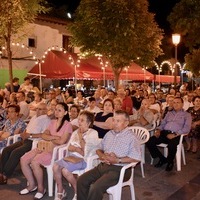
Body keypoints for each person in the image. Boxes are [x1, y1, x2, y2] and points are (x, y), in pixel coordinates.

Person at [77, 110, 141, 200]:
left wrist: (117, 160)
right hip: (103, 165)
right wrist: (102, 155)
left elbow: (136, 158)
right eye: (114, 120)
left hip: (120, 169)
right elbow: (98, 148)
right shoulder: (109, 134)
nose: (114, 123)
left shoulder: (132, 137)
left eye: (118, 121)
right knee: (81, 180)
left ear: (126, 123)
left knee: (96, 187)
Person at [19, 103, 72, 199]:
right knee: (23, 159)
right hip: (45, 147)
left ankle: (41, 189)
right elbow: (43, 135)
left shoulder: (67, 125)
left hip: (57, 151)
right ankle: (32, 185)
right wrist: (53, 137)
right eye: (55, 109)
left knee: (35, 161)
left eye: (59, 110)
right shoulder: (52, 122)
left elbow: (62, 141)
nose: (56, 112)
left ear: (65, 112)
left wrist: (50, 138)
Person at [53, 111, 100, 200]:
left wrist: (80, 136)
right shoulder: (75, 132)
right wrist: (76, 149)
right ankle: (60, 190)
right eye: (79, 120)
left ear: (89, 123)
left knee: (65, 171)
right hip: (72, 157)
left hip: (83, 159)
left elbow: (85, 152)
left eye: (82, 120)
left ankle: (77, 190)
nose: (79, 122)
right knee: (55, 166)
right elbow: (69, 147)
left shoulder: (93, 133)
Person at [0, 103, 51, 184]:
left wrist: (29, 135)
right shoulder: (34, 117)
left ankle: (5, 175)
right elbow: (27, 128)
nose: (38, 111)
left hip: (34, 141)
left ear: (46, 111)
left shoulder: (46, 120)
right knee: (6, 150)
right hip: (25, 139)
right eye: (37, 109)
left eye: (41, 109)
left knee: (16, 152)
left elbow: (44, 135)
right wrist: (24, 133)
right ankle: (1, 173)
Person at [146, 97, 192, 171]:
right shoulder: (169, 113)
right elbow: (163, 123)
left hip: (177, 135)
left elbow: (187, 128)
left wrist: (175, 134)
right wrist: (158, 130)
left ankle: (170, 162)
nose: (176, 104)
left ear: (182, 104)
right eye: (174, 102)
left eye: (178, 102)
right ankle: (162, 159)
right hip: (164, 133)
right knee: (150, 141)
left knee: (172, 145)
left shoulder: (187, 115)